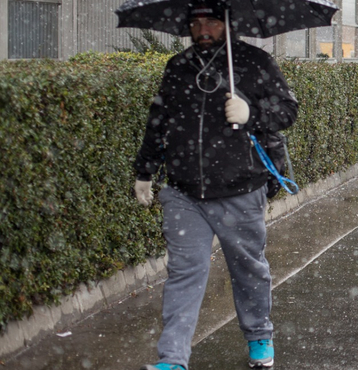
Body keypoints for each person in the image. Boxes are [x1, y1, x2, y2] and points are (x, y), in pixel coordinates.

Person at [132, 1, 298, 369]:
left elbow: (288, 111)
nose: (203, 30)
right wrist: (145, 171)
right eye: (196, 23)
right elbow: (158, 123)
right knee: (184, 273)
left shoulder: (254, 64)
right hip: (183, 192)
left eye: (211, 22)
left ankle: (259, 337)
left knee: (248, 269)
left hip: (241, 190)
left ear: (227, 23)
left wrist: (251, 113)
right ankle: (173, 359)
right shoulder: (177, 67)